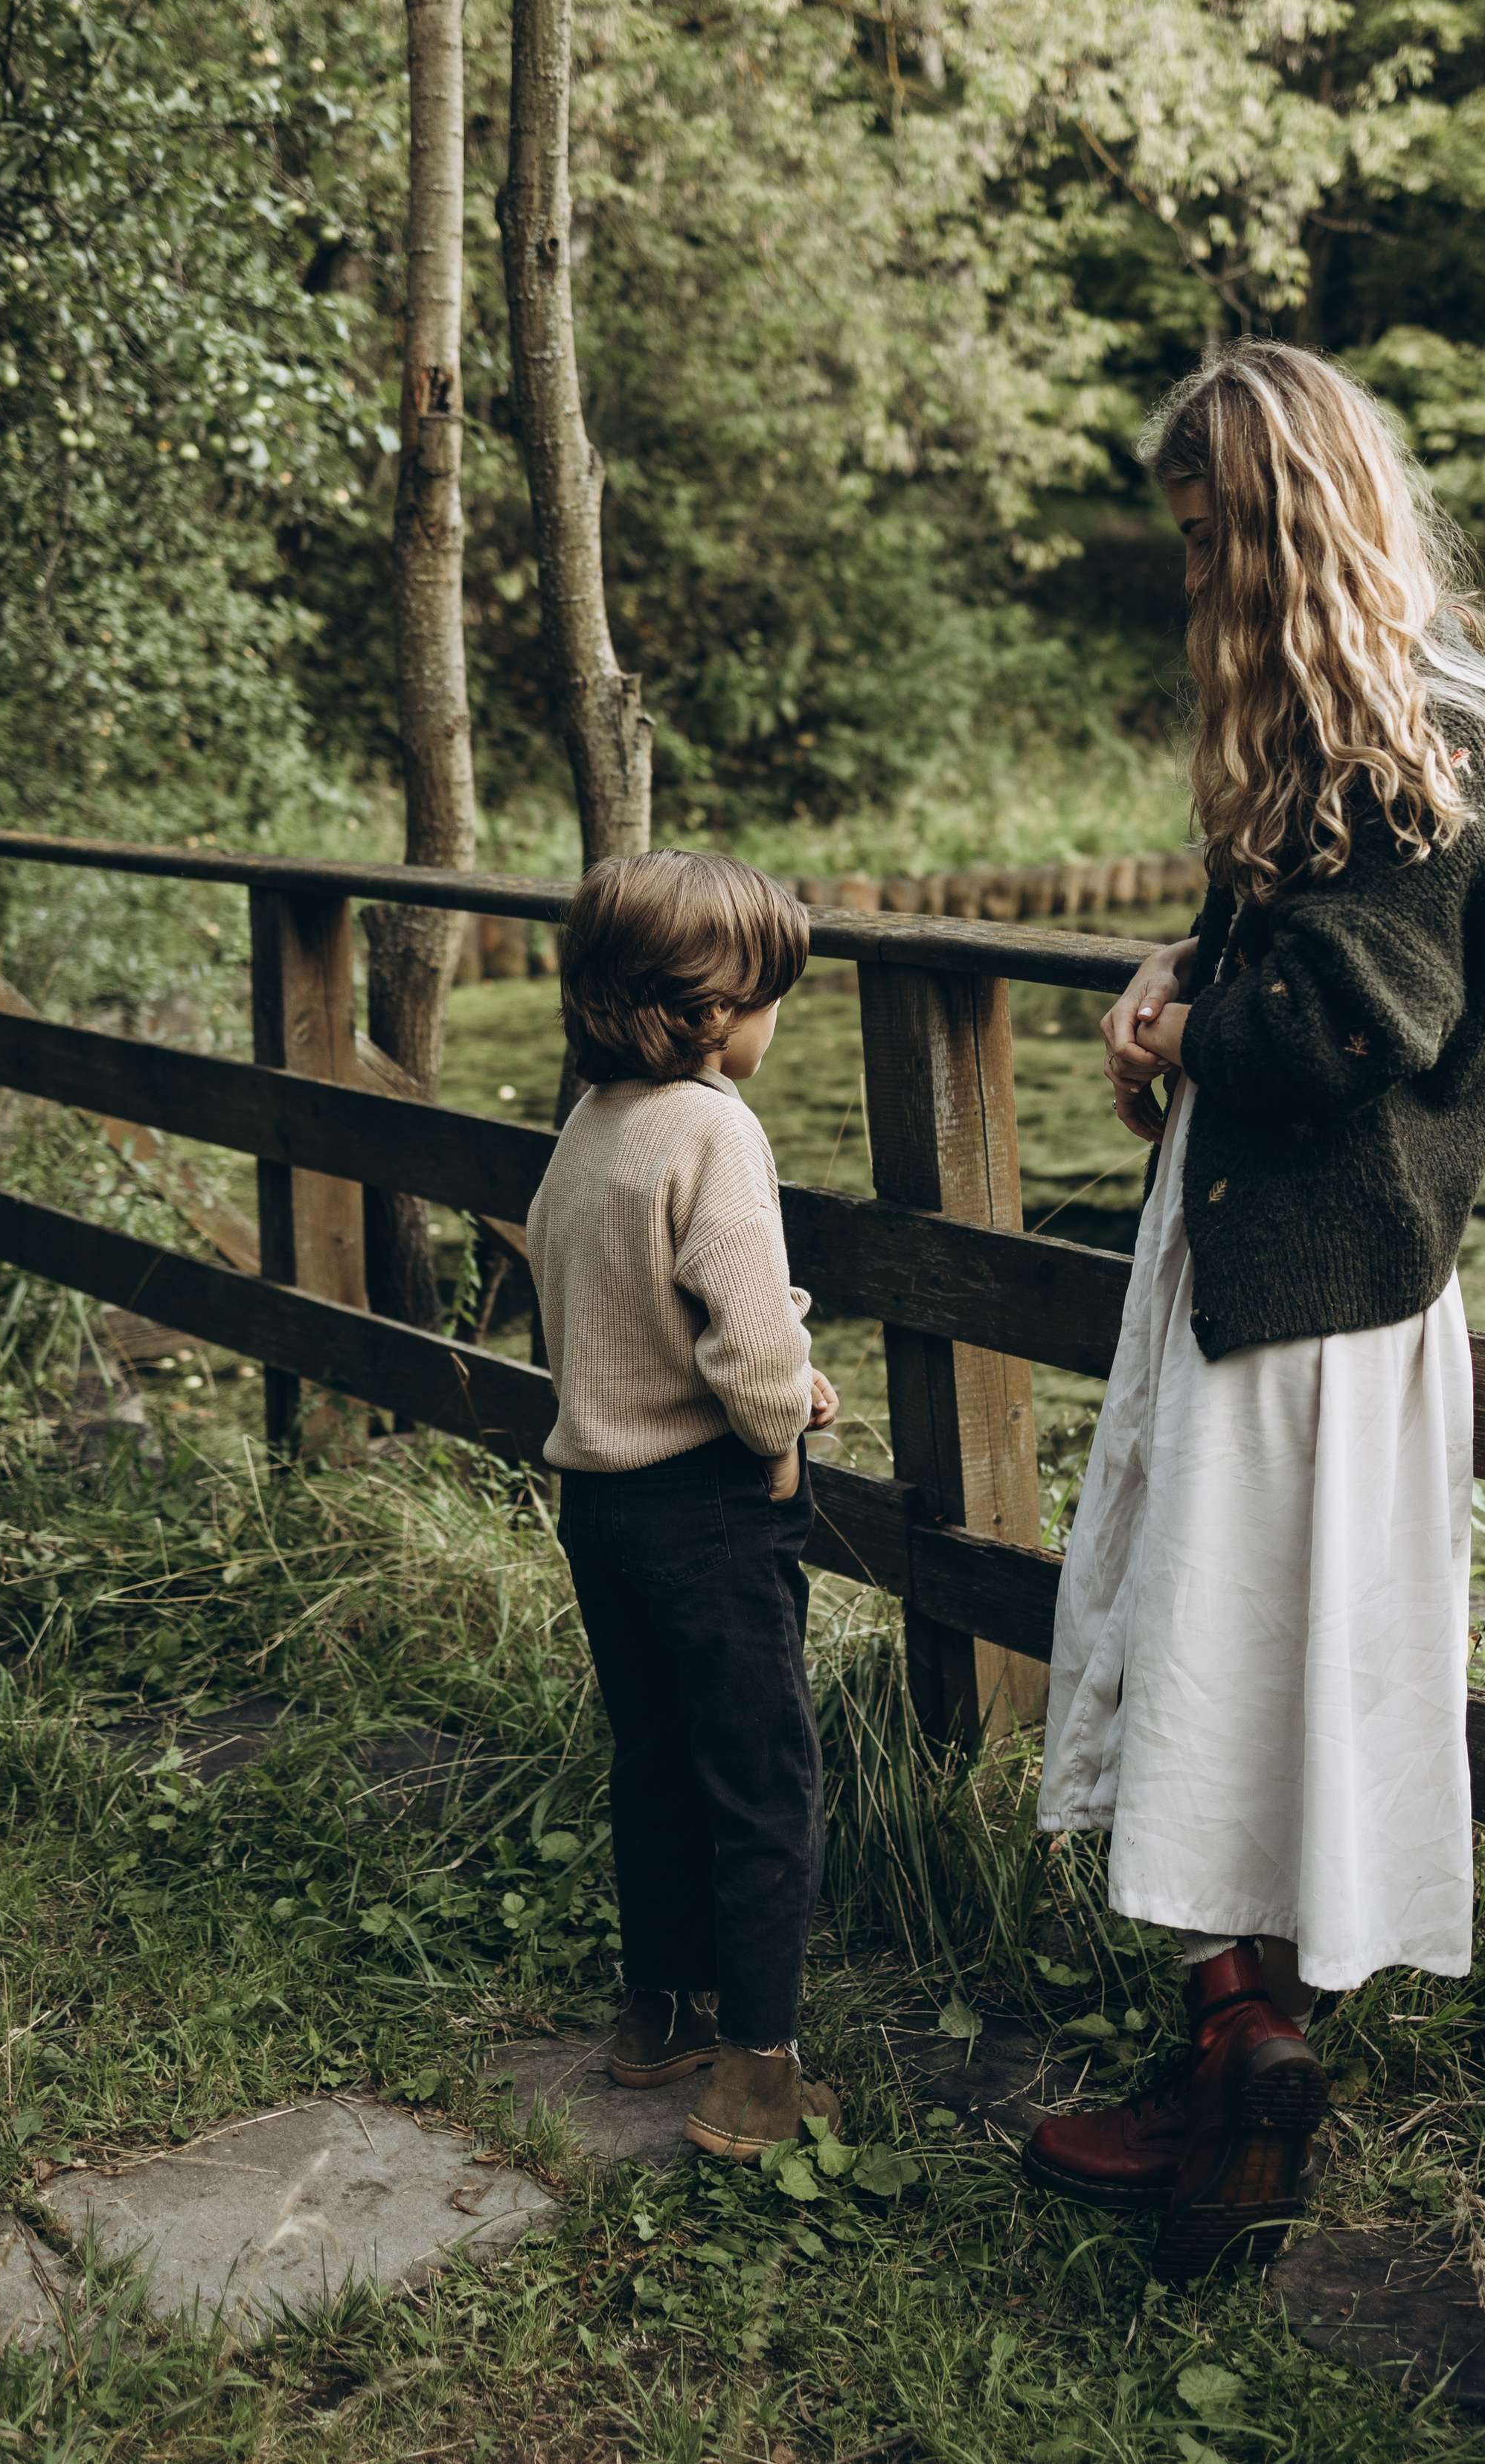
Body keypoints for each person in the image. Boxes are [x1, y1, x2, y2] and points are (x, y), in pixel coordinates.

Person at [1025, 341, 1485, 2279]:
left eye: (1199, 548)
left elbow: (1341, 1024)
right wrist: (1184, 962)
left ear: (1273, 533)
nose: (1187, 591)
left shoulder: (1433, 734)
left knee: (1259, 1664)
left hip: (1319, 1297)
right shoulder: (1346, 728)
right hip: (1256, 1273)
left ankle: (1247, 2080)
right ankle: (1232, 2067)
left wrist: (1191, 1013)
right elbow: (1288, 948)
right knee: (1215, 1657)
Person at [527, 849, 843, 2162]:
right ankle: (757, 2080)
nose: (774, 1023)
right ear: (712, 1009)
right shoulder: (715, 1126)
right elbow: (747, 1338)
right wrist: (784, 1418)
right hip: (713, 1507)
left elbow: (587, 1280)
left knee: (654, 1764)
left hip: (601, 1505)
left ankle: (657, 2019)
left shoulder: (594, 1120)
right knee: (765, 1785)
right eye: (770, 996)